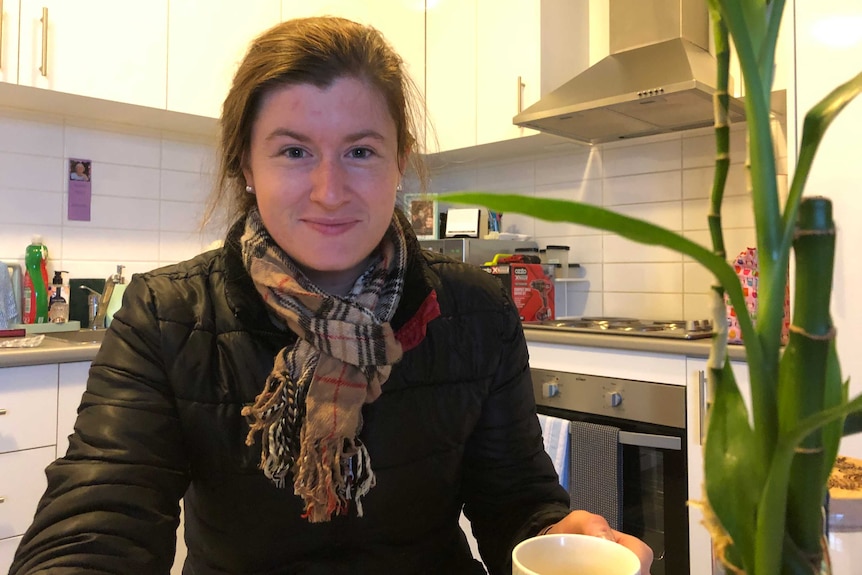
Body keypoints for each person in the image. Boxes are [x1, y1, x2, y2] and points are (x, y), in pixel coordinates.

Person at [9, 17, 653, 575]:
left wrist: (554, 538)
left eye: (360, 151)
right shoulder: (167, 313)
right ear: (245, 165)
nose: (328, 190)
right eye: (293, 151)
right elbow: (97, 519)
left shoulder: (475, 310)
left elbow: (513, 499)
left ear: (400, 160)